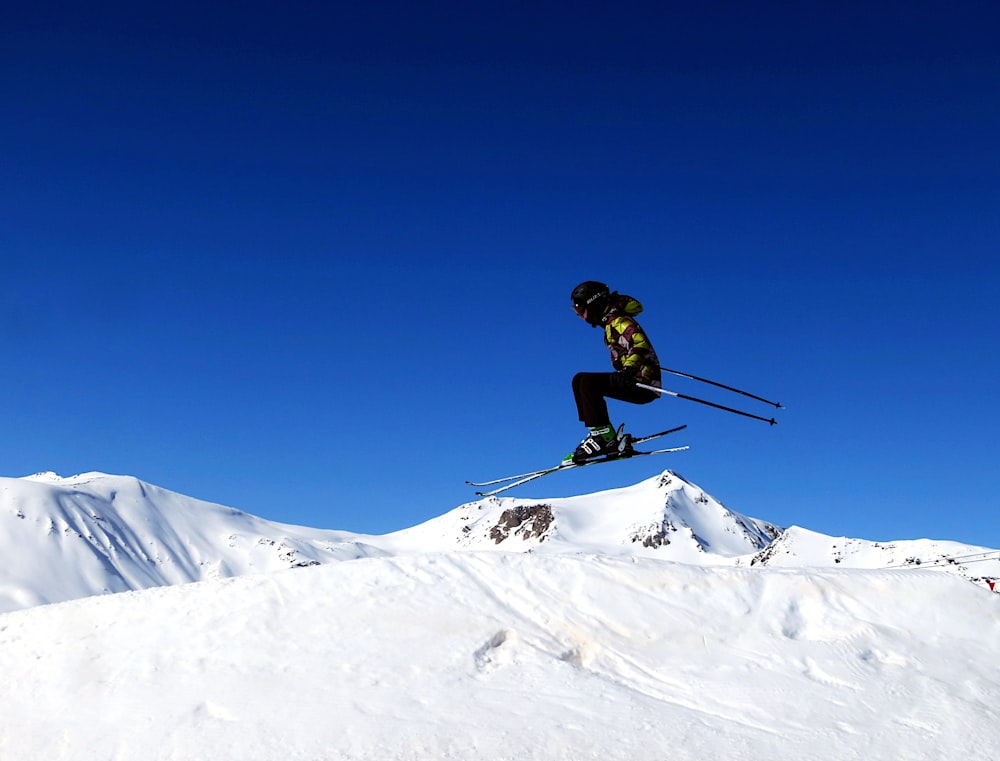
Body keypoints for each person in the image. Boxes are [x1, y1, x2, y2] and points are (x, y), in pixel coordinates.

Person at [565, 281, 661, 465]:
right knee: (579, 380)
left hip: (641, 383)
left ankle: (603, 437)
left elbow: (640, 344)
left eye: (581, 310)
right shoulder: (610, 324)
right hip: (634, 379)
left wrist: (628, 370)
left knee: (587, 382)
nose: (581, 317)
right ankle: (599, 433)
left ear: (593, 304)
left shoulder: (619, 321)